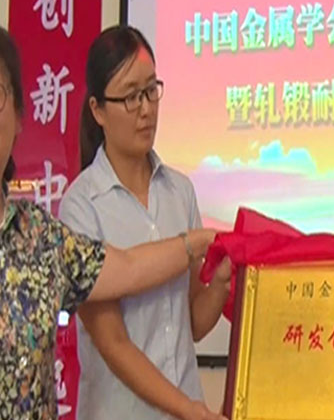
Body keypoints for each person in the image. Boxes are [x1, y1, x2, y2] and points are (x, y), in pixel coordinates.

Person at [0, 24, 222, 419]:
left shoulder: (41, 236)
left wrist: (207, 244)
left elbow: (128, 266)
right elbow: (114, 342)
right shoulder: (80, 205)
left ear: (19, 116)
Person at [59, 26, 230, 420]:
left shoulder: (180, 192)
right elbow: (114, 344)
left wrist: (221, 282)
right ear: (98, 110)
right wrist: (188, 408)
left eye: (151, 91)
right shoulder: (81, 207)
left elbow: (191, 322)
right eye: (131, 96)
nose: (146, 109)